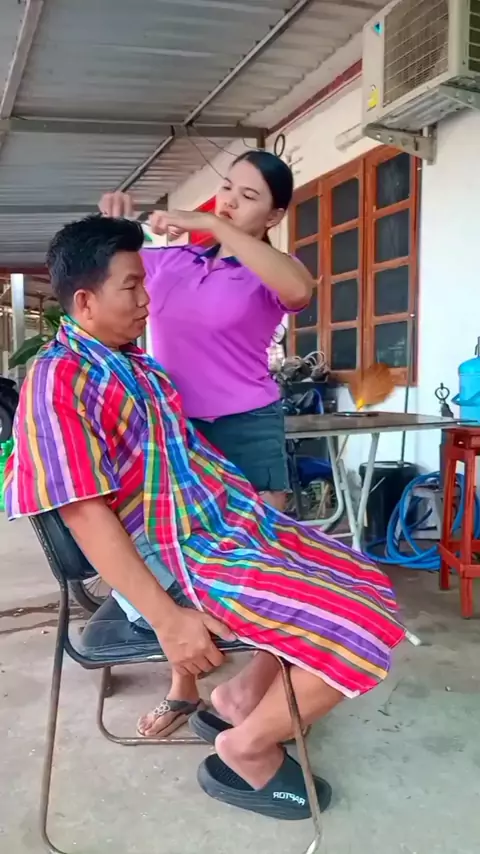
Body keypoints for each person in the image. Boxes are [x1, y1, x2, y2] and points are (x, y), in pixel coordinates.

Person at [5, 217, 405, 820]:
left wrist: (256, 517)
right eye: (132, 287)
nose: (147, 300)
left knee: (360, 576)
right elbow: (84, 512)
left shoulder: (137, 367)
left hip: (222, 527)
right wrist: (167, 621)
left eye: (144, 283)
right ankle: (246, 747)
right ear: (84, 302)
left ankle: (241, 699)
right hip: (178, 557)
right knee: (359, 625)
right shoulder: (59, 379)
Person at [98, 150, 312, 516]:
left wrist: (213, 223)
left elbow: (299, 290)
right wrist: (112, 226)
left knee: (256, 537)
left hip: (247, 425)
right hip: (175, 423)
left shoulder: (273, 271)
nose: (230, 200)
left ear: (274, 217)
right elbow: (108, 274)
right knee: (185, 533)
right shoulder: (174, 260)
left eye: (248, 196)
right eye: (227, 187)